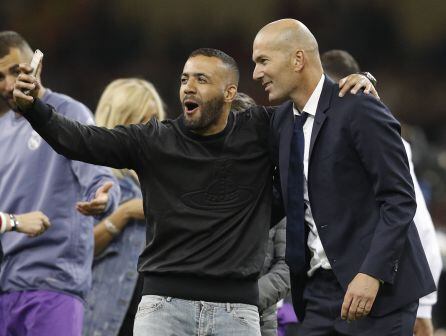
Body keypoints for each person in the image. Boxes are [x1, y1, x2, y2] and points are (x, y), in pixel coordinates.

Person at [13, 47, 372, 335]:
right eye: (185, 79)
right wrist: (34, 109)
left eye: (202, 79)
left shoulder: (260, 128)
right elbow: (82, 140)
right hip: (162, 310)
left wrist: (359, 86)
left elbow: (314, 110)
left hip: (237, 313)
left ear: (230, 92)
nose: (188, 86)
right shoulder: (155, 139)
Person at [252, 19, 435, 335]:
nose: (256, 73)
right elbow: (285, 200)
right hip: (317, 293)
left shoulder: (358, 107)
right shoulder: (280, 121)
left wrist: (371, 274)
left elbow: (400, 199)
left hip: (379, 293)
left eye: (263, 61)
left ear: (298, 59)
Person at [0, 31, 120, 336]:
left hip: (53, 285)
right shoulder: (0, 131)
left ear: (36, 65)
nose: (8, 85)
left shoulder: (69, 113)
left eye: (15, 71)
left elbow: (100, 177)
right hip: (4, 288)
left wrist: (105, 197)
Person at [321, 48, 443, 336]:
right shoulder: (299, 137)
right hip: (316, 297)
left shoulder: (376, 138)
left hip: (373, 298)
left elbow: (416, 222)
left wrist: (424, 308)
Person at [83, 78, 165, 336]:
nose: (150, 129)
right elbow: (79, 250)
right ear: (118, 119)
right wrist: (125, 213)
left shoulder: (163, 178)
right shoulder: (96, 178)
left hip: (153, 316)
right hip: (103, 312)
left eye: (155, 120)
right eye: (142, 119)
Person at [232, 92, 290, 336]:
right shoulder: (199, 188)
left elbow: (287, 264)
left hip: (258, 322)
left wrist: (247, 297)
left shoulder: (275, 191)